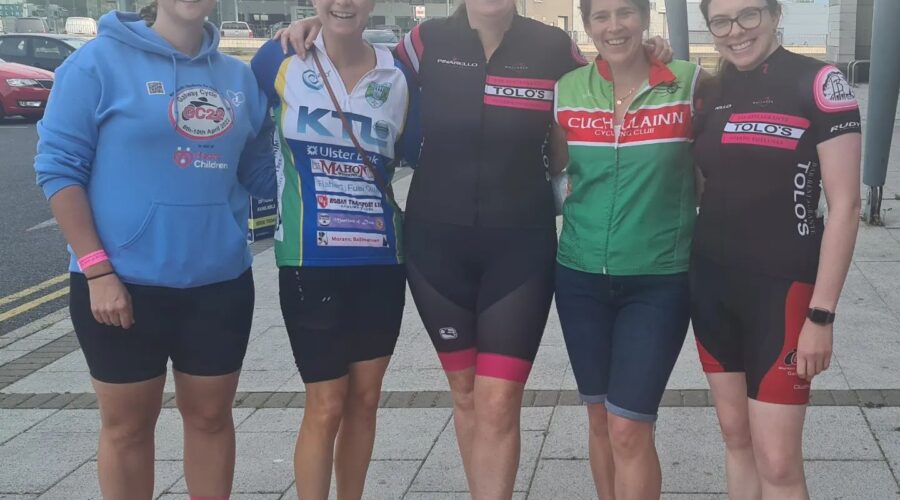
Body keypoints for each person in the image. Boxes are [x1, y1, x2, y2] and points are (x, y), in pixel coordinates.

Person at [278, 7, 671, 499]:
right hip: (436, 251)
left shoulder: (551, 47)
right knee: (466, 396)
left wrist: (650, 51)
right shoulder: (424, 42)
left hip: (520, 250)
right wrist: (310, 28)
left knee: (499, 398)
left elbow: (610, 73)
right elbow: (356, 58)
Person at [33, 1, 274, 498]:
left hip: (219, 284)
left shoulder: (237, 77)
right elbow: (59, 169)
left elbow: (261, 172)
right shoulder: (96, 62)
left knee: (211, 419)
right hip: (120, 286)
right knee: (128, 429)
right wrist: (98, 271)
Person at [691, 0, 861, 498]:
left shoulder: (818, 82)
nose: (735, 31)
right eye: (720, 20)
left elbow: (846, 206)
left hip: (783, 294)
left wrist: (822, 316)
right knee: (737, 440)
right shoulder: (709, 90)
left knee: (780, 462)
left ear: (774, 13)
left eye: (749, 15)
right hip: (711, 287)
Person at [250, 0, 420, 497]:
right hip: (309, 261)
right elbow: (234, 131)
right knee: (325, 403)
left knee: (365, 401)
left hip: (381, 262)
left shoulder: (401, 75)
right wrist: (275, 193)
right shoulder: (277, 57)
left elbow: (426, 150)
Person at [549, 0, 701, 498]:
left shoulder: (688, 82)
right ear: (587, 24)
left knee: (629, 426)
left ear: (645, 18)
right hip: (579, 277)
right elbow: (559, 171)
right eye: (601, 16)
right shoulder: (568, 89)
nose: (614, 26)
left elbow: (709, 175)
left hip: (658, 278)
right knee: (599, 419)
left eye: (626, 13)